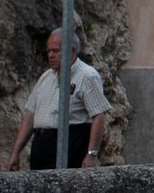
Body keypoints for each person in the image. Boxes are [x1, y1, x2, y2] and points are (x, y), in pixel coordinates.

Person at [8, 30, 110, 170]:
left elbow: (99, 115)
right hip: (42, 144)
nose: (50, 55)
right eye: (49, 51)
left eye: (55, 51)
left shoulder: (87, 76)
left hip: (71, 142)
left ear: (72, 51)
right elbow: (31, 115)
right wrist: (15, 152)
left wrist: (91, 154)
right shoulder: (46, 77)